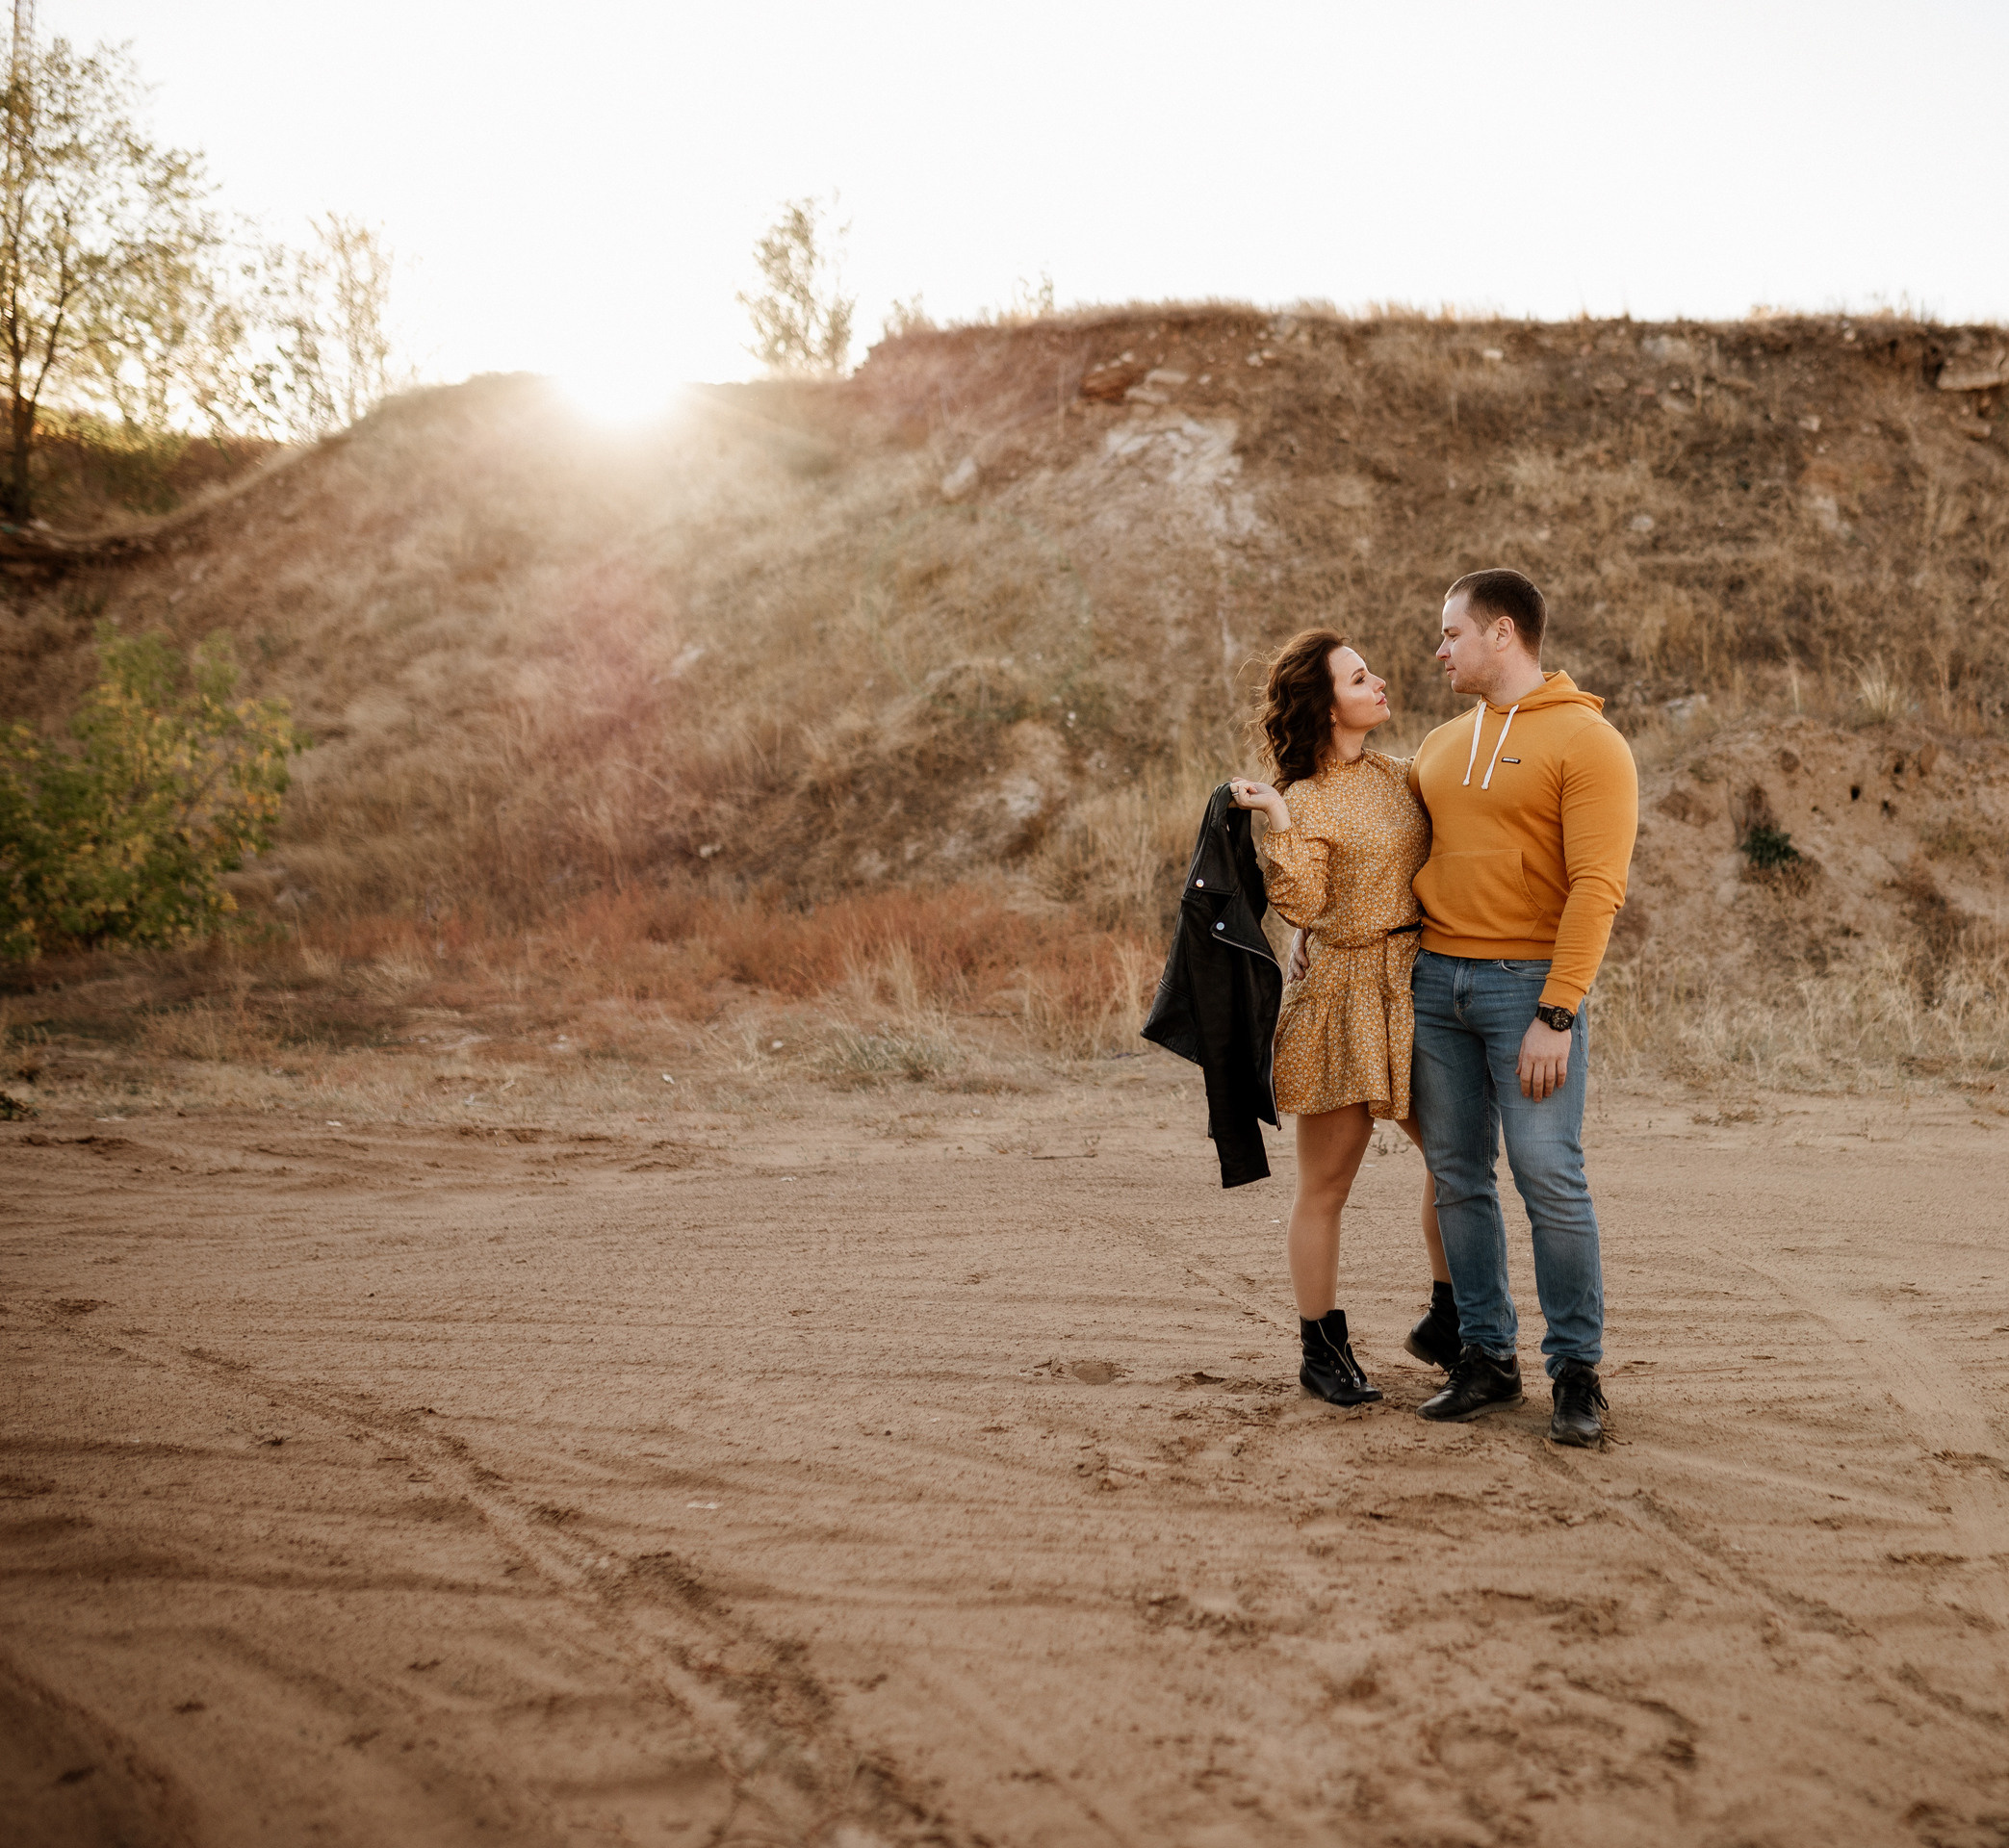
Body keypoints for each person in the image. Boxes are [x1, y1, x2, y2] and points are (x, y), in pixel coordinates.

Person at [1401, 568, 1638, 1446]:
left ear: (1502, 634)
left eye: (1451, 633)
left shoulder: (1589, 743)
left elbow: (1597, 888)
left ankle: (1576, 1373)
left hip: (1525, 991)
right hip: (1435, 986)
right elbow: (1393, 853)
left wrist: (1557, 1012)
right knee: (1458, 1177)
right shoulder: (1435, 744)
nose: (1440, 649)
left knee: (1549, 1178)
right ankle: (1486, 1358)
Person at [1227, 629, 1455, 1410]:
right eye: (1360, 679)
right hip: (1339, 999)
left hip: (1414, 985)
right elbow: (1301, 904)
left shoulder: (1400, 775)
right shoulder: (1301, 801)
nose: (1380, 682)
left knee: (1455, 1162)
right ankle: (1320, 1348)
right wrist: (1279, 822)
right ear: (1326, 706)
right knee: (1326, 1186)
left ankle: (1448, 1317)